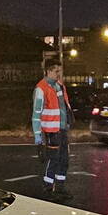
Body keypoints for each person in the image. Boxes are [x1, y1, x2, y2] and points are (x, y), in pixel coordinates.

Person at [33, 59, 74, 200]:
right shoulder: (41, 88)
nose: (59, 74)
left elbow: (64, 106)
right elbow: (36, 114)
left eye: (60, 71)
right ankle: (48, 189)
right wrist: (38, 136)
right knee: (53, 160)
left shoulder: (59, 86)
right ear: (48, 71)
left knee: (64, 160)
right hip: (51, 131)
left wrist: (68, 122)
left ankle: (60, 188)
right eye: (56, 71)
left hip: (61, 130)